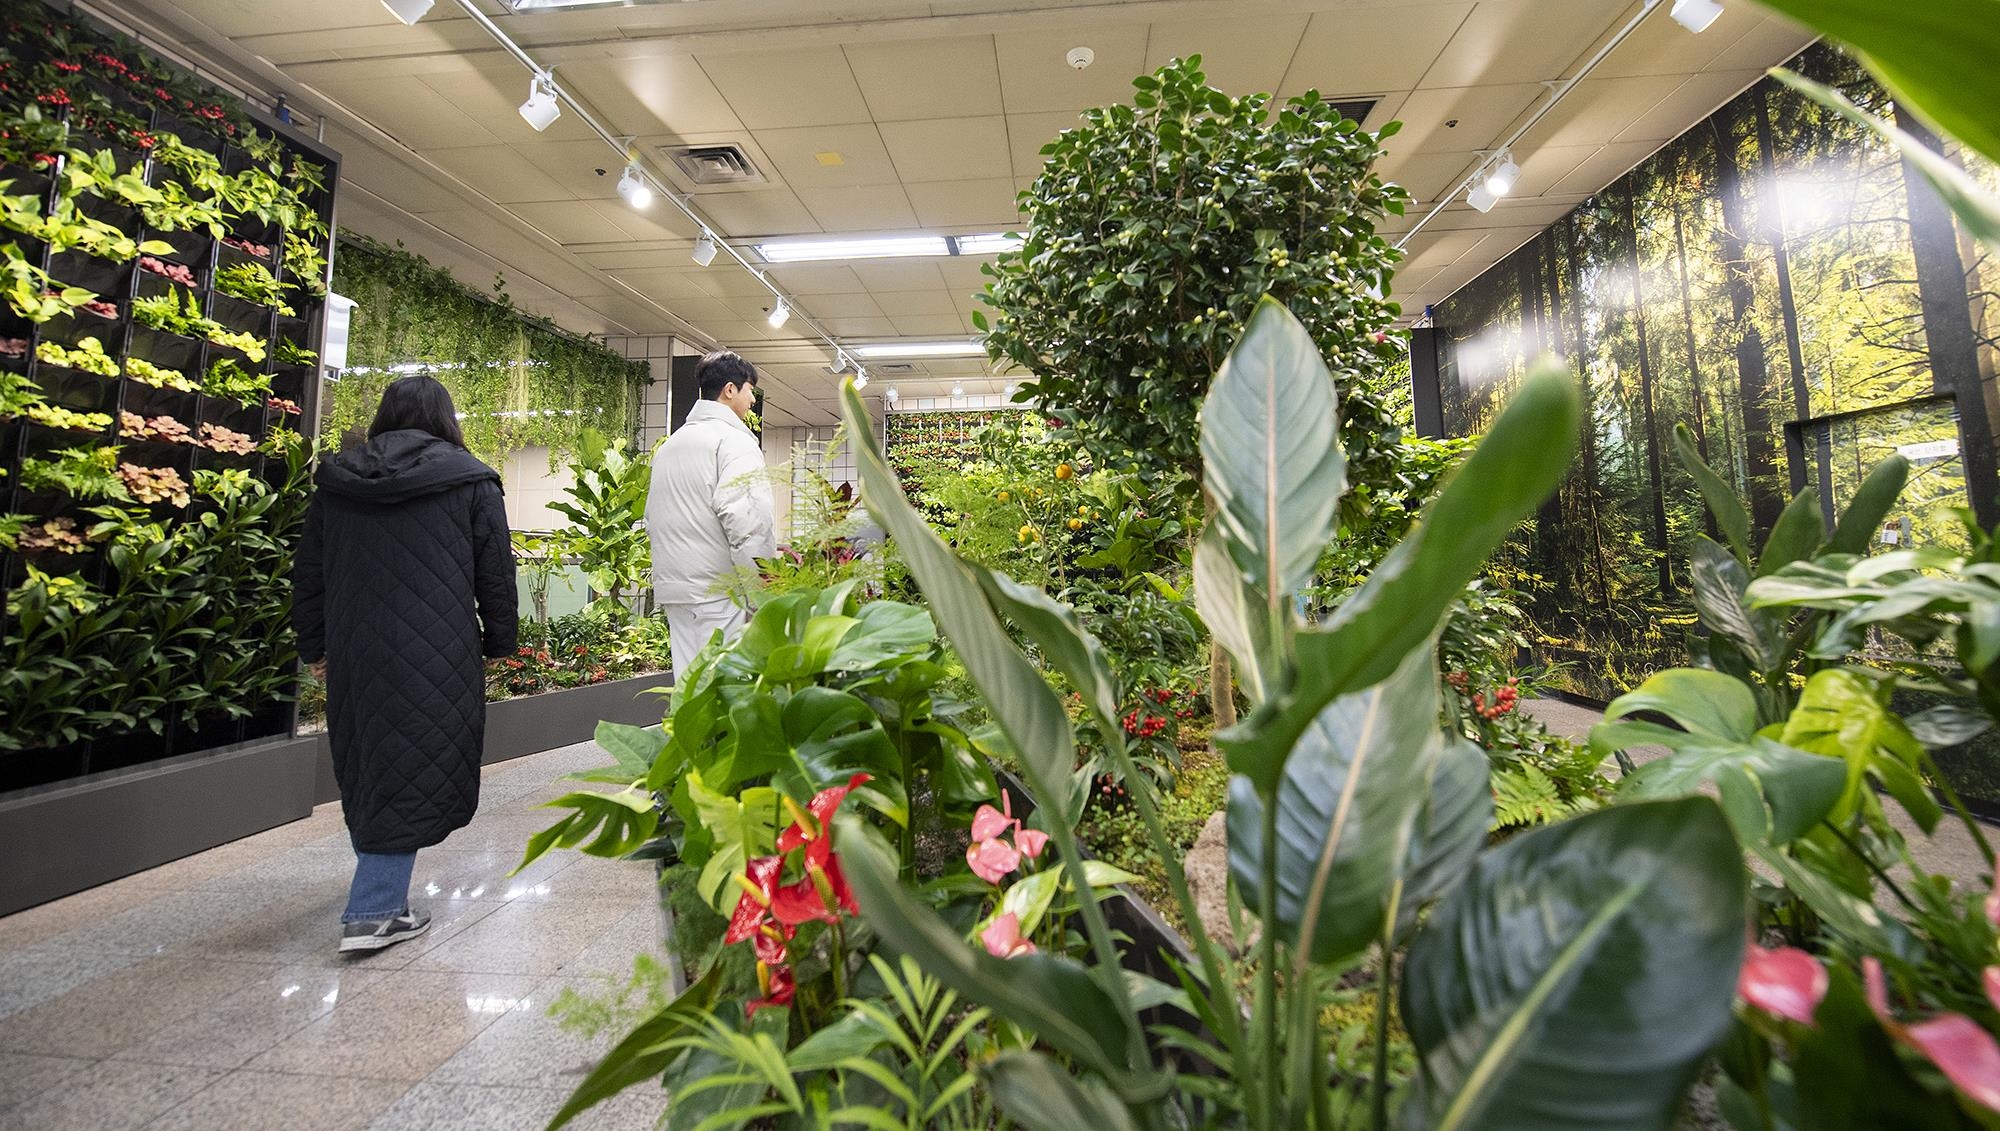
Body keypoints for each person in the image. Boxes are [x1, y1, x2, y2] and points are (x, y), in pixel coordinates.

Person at [293, 375, 518, 954]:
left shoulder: (337, 481)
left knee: (371, 757)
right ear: (446, 417)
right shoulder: (470, 480)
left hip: (355, 646)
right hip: (438, 650)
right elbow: (495, 572)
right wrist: (499, 643)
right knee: (415, 758)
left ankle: (376, 891)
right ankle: (373, 908)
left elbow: (310, 572)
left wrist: (313, 646)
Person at [646, 349, 776, 683]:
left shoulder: (671, 445)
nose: (752, 399)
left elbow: (652, 515)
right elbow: (748, 523)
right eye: (750, 389)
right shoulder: (734, 442)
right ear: (729, 390)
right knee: (726, 689)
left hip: (676, 589)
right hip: (720, 591)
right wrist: (759, 591)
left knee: (689, 688)